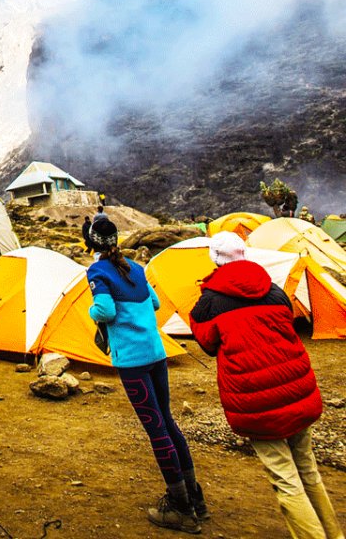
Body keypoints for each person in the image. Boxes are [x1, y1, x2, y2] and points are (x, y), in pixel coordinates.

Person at [190, 232, 343, 539]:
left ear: (215, 260)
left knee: (285, 479)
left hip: (257, 402)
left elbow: (207, 342)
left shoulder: (210, 301)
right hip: (297, 390)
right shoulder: (273, 290)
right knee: (308, 469)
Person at [87, 216, 206, 534]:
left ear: (93, 244)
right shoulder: (136, 269)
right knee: (167, 420)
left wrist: (92, 313)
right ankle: (194, 497)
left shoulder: (98, 271)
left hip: (133, 361)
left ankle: (180, 509)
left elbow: (105, 311)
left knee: (156, 429)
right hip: (156, 354)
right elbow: (153, 302)